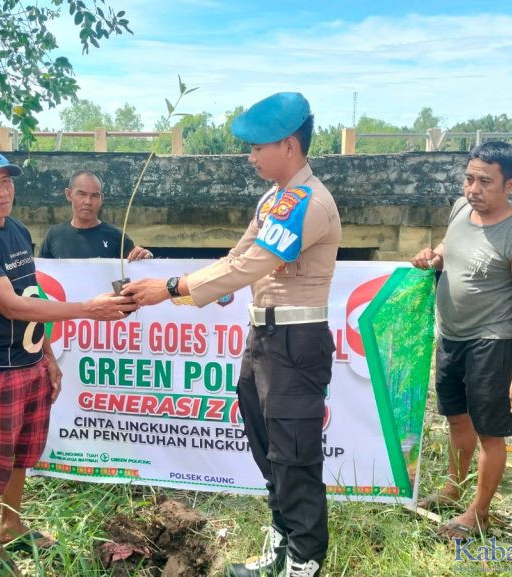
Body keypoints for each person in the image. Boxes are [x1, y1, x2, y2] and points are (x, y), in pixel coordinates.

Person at [124, 92, 340, 577]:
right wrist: (199, 290)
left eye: (258, 146)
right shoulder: (275, 199)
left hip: (295, 342)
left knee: (294, 455)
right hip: (263, 341)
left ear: (288, 145)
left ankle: (305, 562)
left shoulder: (308, 201)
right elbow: (236, 259)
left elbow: (253, 263)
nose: (251, 156)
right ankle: (281, 545)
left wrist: (174, 288)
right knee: (267, 448)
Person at [0, 149, 137, 550]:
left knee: (21, 457)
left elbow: (30, 294)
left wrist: (47, 356)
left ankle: (11, 527)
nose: (1, 192)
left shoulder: (15, 230)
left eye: (6, 181)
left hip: (30, 362)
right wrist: (88, 309)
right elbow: (10, 305)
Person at [410, 141, 512, 540]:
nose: (474, 189)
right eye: (469, 178)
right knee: (456, 418)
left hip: (492, 342)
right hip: (450, 335)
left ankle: (478, 511)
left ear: (511, 185)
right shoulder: (460, 209)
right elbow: (451, 246)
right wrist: (433, 255)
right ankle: (453, 490)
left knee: (489, 431)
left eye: (486, 181)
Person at [38, 169, 153, 260]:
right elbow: (42, 278)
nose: (88, 201)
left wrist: (145, 257)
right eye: (81, 194)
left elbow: (135, 275)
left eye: (94, 196)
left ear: (101, 199)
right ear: (68, 194)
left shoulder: (117, 237)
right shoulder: (54, 234)